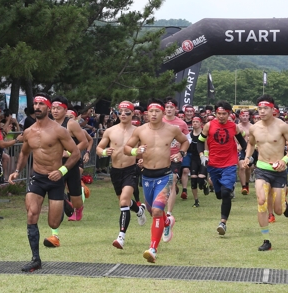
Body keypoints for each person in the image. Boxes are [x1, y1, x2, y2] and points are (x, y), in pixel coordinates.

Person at [8, 93, 80, 272]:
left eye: (41, 104)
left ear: (48, 108)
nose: (37, 107)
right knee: (32, 214)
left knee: (53, 224)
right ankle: (35, 259)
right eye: (35, 104)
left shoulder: (59, 130)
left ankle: (64, 201)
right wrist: (17, 171)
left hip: (55, 178)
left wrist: (62, 171)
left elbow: (75, 153)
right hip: (37, 178)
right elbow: (24, 152)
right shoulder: (29, 131)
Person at [124, 98, 189, 263]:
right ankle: (168, 222)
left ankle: (153, 248)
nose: (153, 114)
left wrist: (180, 154)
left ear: (162, 113)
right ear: (147, 113)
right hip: (146, 176)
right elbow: (126, 148)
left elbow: (185, 142)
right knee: (153, 212)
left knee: (158, 211)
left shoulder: (172, 129)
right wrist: (135, 151)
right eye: (151, 111)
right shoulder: (140, 130)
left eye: (157, 111)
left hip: (165, 175)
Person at [243, 95, 288, 251]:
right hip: (261, 169)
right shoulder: (254, 128)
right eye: (259, 108)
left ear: (273, 109)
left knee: (279, 211)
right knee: (261, 201)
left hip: (279, 171)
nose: (262, 111)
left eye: (265, 108)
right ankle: (266, 240)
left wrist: (285, 160)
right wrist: (247, 157)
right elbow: (251, 144)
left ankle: (284, 204)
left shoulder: (282, 126)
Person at [96, 101, 147, 250]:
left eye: (127, 112)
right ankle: (139, 210)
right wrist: (105, 152)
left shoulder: (139, 131)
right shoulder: (110, 131)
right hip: (115, 171)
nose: (123, 114)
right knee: (124, 202)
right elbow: (99, 148)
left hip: (131, 169)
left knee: (124, 202)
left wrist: (143, 158)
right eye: (120, 112)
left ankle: (121, 237)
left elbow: (146, 148)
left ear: (133, 114)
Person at [197, 100, 248, 236]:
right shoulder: (208, 126)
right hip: (213, 164)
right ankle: (218, 190)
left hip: (230, 163)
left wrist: (245, 153)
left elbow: (243, 142)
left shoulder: (234, 127)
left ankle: (223, 223)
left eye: (224, 114)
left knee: (226, 193)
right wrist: (202, 155)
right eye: (218, 113)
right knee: (219, 194)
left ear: (229, 113)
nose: (221, 116)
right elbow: (199, 142)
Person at [48, 95, 87, 247]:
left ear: (65, 110)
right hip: (55, 165)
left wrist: (70, 153)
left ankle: (79, 202)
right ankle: (54, 235)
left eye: (58, 108)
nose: (55, 111)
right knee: (55, 196)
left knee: (75, 200)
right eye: (53, 108)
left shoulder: (71, 124)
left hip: (71, 164)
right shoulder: (48, 124)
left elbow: (83, 141)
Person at [161, 97, 190, 243]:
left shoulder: (181, 124)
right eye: (167, 107)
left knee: (171, 182)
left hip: (175, 158)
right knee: (161, 186)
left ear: (176, 109)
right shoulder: (159, 121)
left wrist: (181, 153)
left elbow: (188, 140)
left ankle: (169, 214)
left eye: (171, 107)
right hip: (159, 158)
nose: (169, 109)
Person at [189, 116, 209, 207]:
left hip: (203, 158)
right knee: (193, 180)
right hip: (194, 159)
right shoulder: (190, 135)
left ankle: (204, 184)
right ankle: (196, 201)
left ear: (201, 123)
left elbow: (207, 146)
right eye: (193, 122)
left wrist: (206, 157)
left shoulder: (204, 134)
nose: (195, 123)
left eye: (197, 122)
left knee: (200, 179)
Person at [237, 109, 252, 195]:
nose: (245, 117)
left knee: (248, 168)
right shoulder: (237, 126)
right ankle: (243, 187)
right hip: (241, 149)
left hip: (250, 149)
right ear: (240, 116)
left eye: (247, 116)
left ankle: (247, 183)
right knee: (242, 166)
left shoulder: (253, 126)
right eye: (243, 115)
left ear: (249, 116)